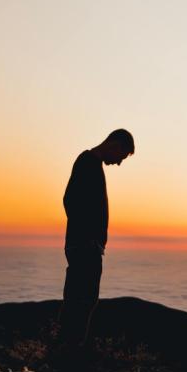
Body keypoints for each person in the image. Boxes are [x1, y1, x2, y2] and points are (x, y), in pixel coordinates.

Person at [57, 128, 134, 355]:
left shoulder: (91, 165)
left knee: (83, 300)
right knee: (81, 300)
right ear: (114, 144)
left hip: (86, 245)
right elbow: (69, 200)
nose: (118, 163)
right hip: (84, 246)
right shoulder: (87, 162)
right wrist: (88, 237)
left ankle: (68, 351)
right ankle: (68, 352)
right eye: (121, 156)